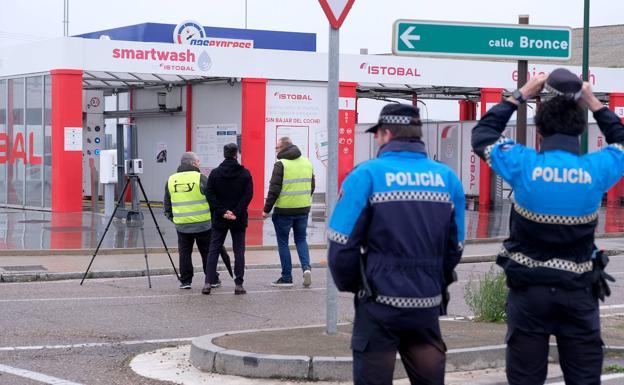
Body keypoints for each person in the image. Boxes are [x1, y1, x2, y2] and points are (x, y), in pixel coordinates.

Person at [471, 69, 621, 385]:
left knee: (525, 379)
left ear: (539, 132)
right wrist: (593, 102)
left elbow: (482, 135)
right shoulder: (596, 169)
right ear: (581, 131)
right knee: (584, 378)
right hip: (579, 293)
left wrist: (521, 94)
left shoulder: (523, 164)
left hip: (529, 295)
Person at [328, 104, 465, 385]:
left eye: (378, 134)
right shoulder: (448, 179)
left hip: (379, 305)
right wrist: (432, 281)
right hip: (426, 305)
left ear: (386, 133)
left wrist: (360, 285)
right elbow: (455, 248)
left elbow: (341, 246)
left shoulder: (365, 176)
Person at [164, 152, 230, 290]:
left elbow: (167, 205)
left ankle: (185, 281)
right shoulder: (201, 178)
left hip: (182, 225)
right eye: (198, 161)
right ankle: (212, 279)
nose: (199, 163)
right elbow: (212, 200)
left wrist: (175, 219)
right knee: (207, 252)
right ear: (193, 163)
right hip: (203, 224)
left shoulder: (171, 180)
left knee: (184, 253)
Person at [263, 137, 315, 288]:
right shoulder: (307, 162)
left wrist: (266, 210)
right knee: (301, 239)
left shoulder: (281, 164)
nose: (276, 150)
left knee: (283, 243)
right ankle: (306, 268)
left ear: (284, 147)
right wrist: (303, 200)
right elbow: (312, 186)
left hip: (284, 210)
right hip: (303, 208)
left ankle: (287, 277)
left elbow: (274, 189)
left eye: (277, 147)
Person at [203, 143, 253, 295]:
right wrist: (236, 212)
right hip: (238, 218)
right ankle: (239, 284)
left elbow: (209, 194)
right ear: (236, 154)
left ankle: (207, 283)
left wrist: (223, 211)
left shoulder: (215, 173)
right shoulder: (245, 173)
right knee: (239, 250)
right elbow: (248, 195)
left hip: (220, 218)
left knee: (213, 249)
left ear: (224, 154)